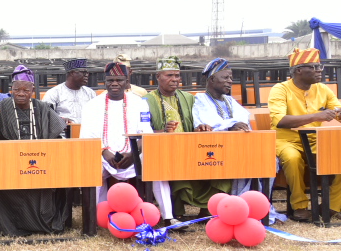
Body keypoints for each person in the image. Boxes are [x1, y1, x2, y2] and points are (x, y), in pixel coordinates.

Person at [269, 47, 341, 220]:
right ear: (299, 70)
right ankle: (300, 207)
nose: (319, 71)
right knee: (293, 159)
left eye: (320, 67)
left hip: (316, 139)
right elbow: (280, 121)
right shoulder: (280, 89)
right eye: (314, 67)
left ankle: (330, 207)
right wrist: (316, 116)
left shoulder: (323, 89)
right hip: (286, 140)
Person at [143, 55, 227, 222]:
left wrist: (201, 128)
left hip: (190, 148)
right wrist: (162, 131)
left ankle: (207, 210)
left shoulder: (189, 98)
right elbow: (143, 131)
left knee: (219, 163)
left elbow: (196, 122)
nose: (175, 79)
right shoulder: (146, 100)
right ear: (158, 77)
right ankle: (176, 213)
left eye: (177, 75)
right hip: (162, 149)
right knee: (172, 164)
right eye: (169, 75)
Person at [0, 65, 71, 236]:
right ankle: (14, 226)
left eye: (25, 90)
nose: (21, 93)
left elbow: (57, 135)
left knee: (56, 179)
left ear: (32, 90)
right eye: (17, 89)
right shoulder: (2, 107)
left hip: (40, 163)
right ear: (11, 90)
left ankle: (45, 224)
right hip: (10, 165)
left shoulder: (42, 107)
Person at [80, 62, 153, 207]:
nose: (114, 84)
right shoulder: (91, 105)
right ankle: (92, 218)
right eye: (110, 80)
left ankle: (166, 214)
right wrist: (104, 152)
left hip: (134, 154)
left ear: (126, 82)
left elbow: (146, 133)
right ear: (105, 82)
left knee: (156, 166)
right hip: (102, 155)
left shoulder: (140, 103)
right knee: (92, 167)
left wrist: (133, 153)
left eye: (119, 80)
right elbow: (87, 136)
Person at [193, 58, 257, 197]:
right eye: (225, 77)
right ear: (212, 79)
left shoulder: (229, 100)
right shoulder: (200, 100)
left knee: (266, 159)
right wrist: (232, 125)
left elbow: (244, 119)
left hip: (238, 144)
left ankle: (253, 201)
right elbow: (208, 123)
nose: (230, 81)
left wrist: (238, 126)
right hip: (214, 147)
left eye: (231, 78)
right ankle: (238, 200)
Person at [43, 58, 96, 125]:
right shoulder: (54, 93)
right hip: (63, 133)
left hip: (86, 132)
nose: (86, 75)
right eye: (83, 72)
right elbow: (45, 116)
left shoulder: (90, 93)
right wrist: (60, 120)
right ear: (72, 73)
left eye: (87, 72)